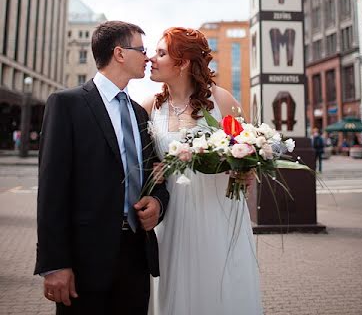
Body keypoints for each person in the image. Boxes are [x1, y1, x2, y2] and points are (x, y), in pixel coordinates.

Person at [34, 21, 169, 315]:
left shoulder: (139, 113)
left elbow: (156, 176)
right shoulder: (66, 104)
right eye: (141, 50)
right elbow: (51, 190)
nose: (147, 57)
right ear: (119, 53)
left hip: (136, 256)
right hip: (84, 261)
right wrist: (54, 264)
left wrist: (158, 201)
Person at [142, 27, 262, 315]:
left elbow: (246, 150)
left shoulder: (222, 101)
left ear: (182, 63)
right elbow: (139, 163)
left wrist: (245, 173)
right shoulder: (148, 107)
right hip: (171, 215)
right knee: (174, 285)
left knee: (220, 284)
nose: (150, 58)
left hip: (218, 209)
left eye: (160, 53)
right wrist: (151, 175)